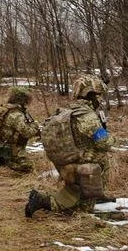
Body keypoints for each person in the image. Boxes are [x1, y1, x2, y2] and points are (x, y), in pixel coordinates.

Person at [25, 75, 115, 217]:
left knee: (76, 193)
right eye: (99, 96)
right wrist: (111, 138)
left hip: (68, 160)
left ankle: (93, 194)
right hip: (79, 161)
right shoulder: (87, 116)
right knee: (82, 210)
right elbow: (103, 142)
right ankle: (42, 200)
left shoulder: (71, 112)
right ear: (92, 95)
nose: (101, 100)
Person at [0, 87, 38, 173]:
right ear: (24, 100)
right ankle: (9, 165)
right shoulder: (16, 115)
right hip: (8, 149)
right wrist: (35, 125)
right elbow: (27, 133)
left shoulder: (2, 109)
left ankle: (1, 164)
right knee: (28, 167)